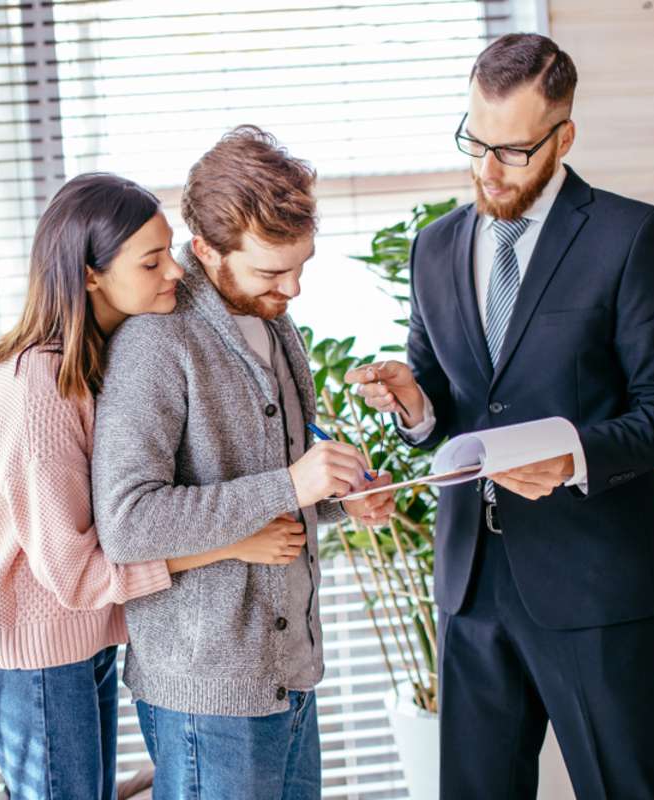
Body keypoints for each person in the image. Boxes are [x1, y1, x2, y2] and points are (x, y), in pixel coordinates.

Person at [346, 33, 654, 799]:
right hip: (470, 583)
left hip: (594, 583)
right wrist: (414, 404)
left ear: (562, 136)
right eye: (474, 142)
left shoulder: (632, 237)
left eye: (510, 150)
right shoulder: (434, 247)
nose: (486, 169)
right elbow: (447, 401)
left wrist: (572, 456)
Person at [0, 173, 311, 800]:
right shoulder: (39, 386)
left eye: (170, 251)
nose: (175, 272)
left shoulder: (103, 351)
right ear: (90, 274)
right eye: (151, 262)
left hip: (89, 634)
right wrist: (231, 544)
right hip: (36, 653)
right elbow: (74, 575)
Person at [91, 127, 396, 800]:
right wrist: (292, 483)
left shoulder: (276, 321)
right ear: (204, 249)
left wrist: (344, 498)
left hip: (288, 675)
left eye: (301, 265)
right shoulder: (155, 343)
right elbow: (128, 522)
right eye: (270, 271)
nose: (292, 289)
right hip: (206, 693)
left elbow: (282, 481)